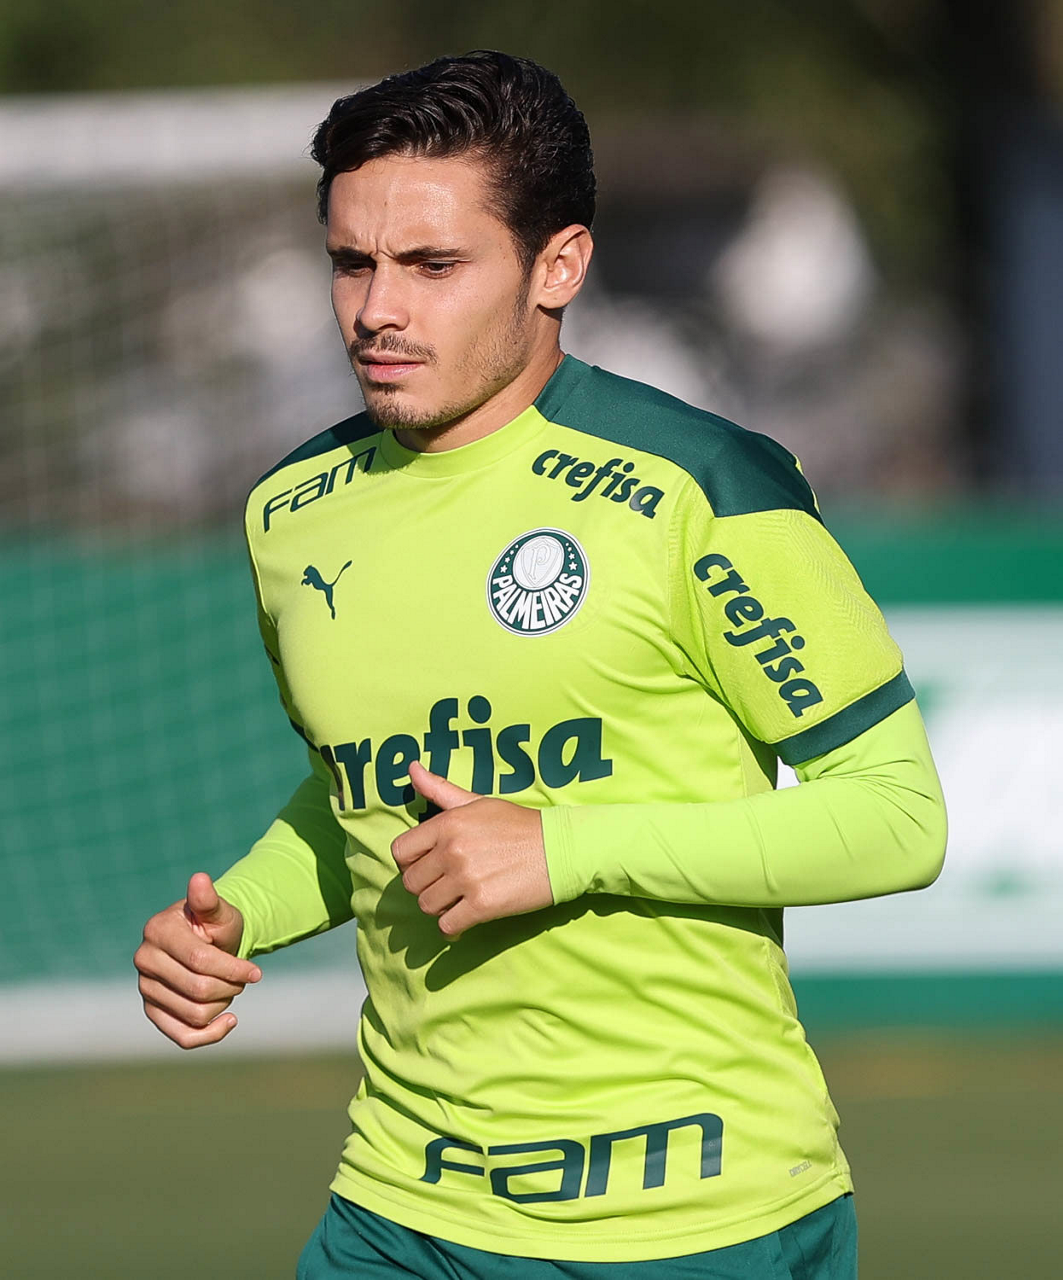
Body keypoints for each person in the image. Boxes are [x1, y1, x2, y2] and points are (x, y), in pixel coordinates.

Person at [134, 50, 946, 1278]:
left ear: (557, 265)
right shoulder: (290, 514)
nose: (377, 310)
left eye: (433, 266)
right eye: (351, 262)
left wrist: (564, 848)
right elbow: (371, 792)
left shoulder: (706, 488)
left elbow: (895, 818)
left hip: (693, 1218)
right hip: (395, 1209)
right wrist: (240, 910)